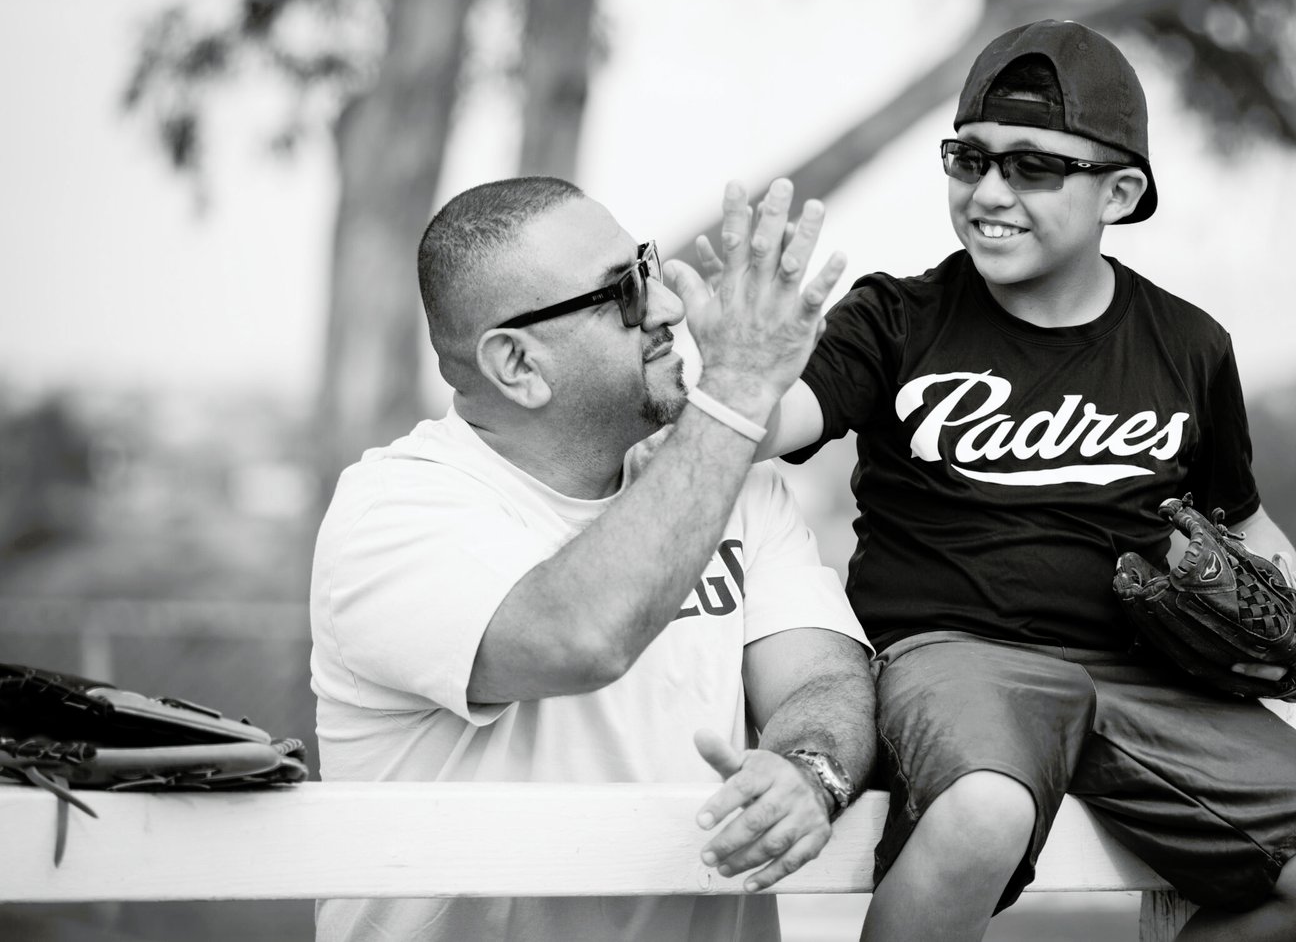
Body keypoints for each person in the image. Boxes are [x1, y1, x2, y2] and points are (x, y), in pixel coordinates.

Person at [742, 21, 1296, 941]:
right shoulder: (898, 317)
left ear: (1120, 191)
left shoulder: (1188, 345)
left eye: (1033, 168)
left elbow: (1244, 520)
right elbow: (776, 424)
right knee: (984, 812)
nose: (988, 192)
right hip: (953, 656)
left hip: (1146, 674)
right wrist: (743, 369)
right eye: (968, 158)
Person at [308, 174, 876, 942]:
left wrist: (808, 773)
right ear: (518, 365)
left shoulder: (730, 477)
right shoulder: (393, 512)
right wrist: (737, 390)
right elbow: (580, 636)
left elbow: (822, 676)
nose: (669, 307)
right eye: (624, 292)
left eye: (648, 265)